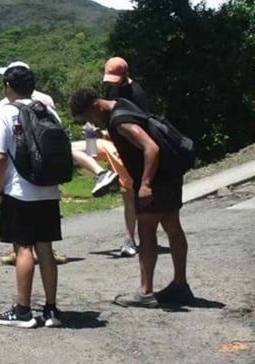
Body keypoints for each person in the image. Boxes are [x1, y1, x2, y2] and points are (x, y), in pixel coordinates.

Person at [69, 87, 193, 308]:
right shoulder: (122, 104)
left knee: (146, 232)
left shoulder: (119, 121)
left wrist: (145, 184)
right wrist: (100, 135)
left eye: (90, 117)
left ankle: (145, 292)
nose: (92, 121)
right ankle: (180, 285)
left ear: (96, 106)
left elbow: (151, 148)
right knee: (173, 227)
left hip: (154, 179)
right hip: (170, 174)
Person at [0, 61, 64, 328]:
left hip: (19, 192)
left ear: (8, 86)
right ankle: (51, 311)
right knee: (46, 249)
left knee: (23, 248)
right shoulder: (49, 113)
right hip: (49, 191)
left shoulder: (4, 113)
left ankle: (23, 311)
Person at [91, 56, 151, 258]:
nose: (111, 84)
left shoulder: (137, 94)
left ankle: (135, 239)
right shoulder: (111, 86)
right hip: (114, 141)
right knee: (127, 194)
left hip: (132, 146)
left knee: (131, 194)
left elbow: (141, 127)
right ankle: (130, 238)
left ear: (126, 75)